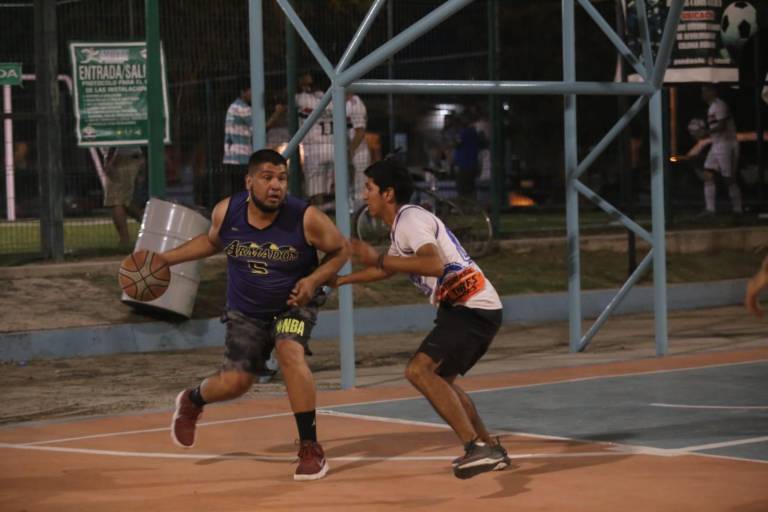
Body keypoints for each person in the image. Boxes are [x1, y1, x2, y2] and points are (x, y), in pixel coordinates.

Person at [162, 149, 348, 481]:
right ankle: (192, 400)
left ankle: (310, 447)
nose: (275, 185)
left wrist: (313, 279)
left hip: (294, 305)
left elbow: (341, 250)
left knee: (290, 351)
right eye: (267, 177)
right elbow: (210, 243)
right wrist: (165, 260)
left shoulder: (305, 217)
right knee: (236, 383)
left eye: (282, 178)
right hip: (245, 311)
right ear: (249, 181)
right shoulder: (228, 211)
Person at [333, 158, 510, 480]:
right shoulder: (401, 226)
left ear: (388, 193)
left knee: (419, 370)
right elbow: (388, 267)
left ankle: (475, 447)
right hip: (470, 307)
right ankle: (488, 447)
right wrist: (341, 281)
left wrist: (378, 257)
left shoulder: (410, 218)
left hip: (470, 306)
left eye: (369, 188)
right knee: (442, 381)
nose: (364, 195)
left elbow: (433, 264)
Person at [222, 79, 284, 200]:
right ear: (243, 92)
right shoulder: (243, 108)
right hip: (241, 159)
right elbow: (260, 129)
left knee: (237, 193)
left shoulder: (234, 106)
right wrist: (277, 113)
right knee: (245, 193)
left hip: (231, 158)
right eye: (251, 91)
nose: (253, 94)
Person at [700, 84, 743, 216]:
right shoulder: (712, 107)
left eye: (705, 91)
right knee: (707, 173)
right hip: (717, 143)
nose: (703, 95)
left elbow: (722, 125)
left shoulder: (719, 105)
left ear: (712, 92)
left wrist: (705, 132)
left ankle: (738, 208)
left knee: (728, 177)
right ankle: (710, 209)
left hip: (727, 144)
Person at [296, 72, 334, 208]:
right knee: (324, 186)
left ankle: (318, 214)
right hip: (330, 147)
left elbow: (284, 96)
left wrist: (299, 84)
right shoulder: (331, 99)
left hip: (314, 149)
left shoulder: (303, 99)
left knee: (314, 189)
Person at [103, 146, 145, 247]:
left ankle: (125, 240)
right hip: (132, 157)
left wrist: (109, 161)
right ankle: (149, 222)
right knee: (126, 201)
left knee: (116, 201)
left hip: (121, 160)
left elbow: (115, 139)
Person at [346, 92, 370, 210]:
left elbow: (360, 133)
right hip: (352, 151)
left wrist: (349, 151)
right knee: (350, 188)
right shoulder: (343, 103)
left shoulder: (355, 103)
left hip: (358, 152)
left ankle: (362, 220)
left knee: (360, 190)